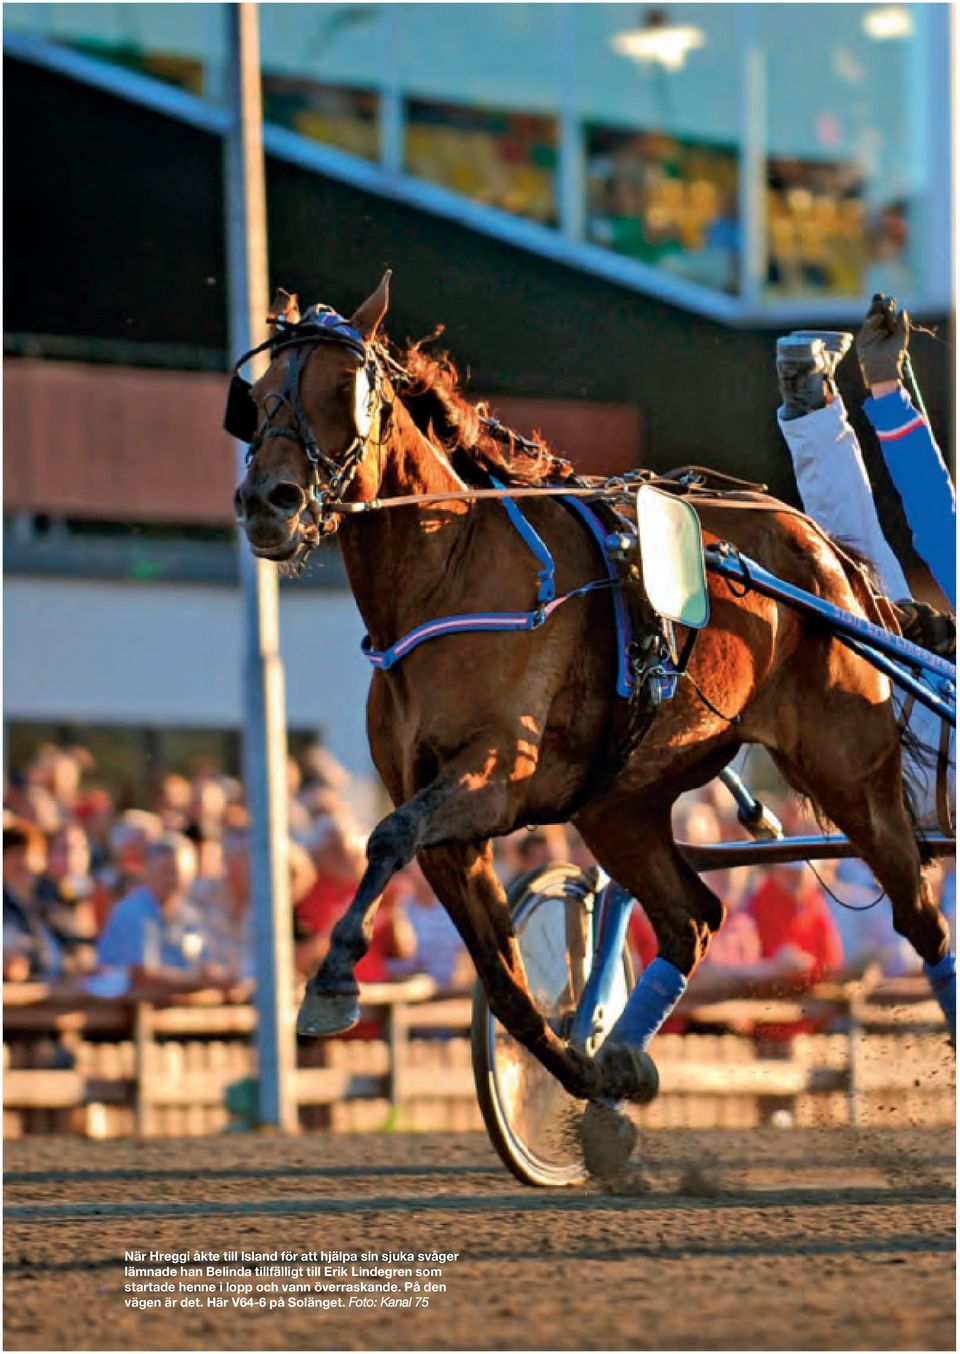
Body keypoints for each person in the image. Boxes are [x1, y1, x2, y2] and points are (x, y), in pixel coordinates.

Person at [775, 295, 955, 1036]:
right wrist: (888, 390)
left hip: (904, 753)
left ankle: (809, 401)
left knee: (866, 587)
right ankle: (811, 398)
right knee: (858, 582)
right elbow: (937, 522)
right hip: (904, 743)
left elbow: (937, 521)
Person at [96, 833, 212, 991]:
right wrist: (195, 982)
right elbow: (142, 974)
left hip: (176, 1008)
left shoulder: (189, 914)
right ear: (146, 871)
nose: (172, 878)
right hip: (126, 1010)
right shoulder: (132, 911)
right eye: (166, 870)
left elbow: (202, 965)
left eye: (178, 871)